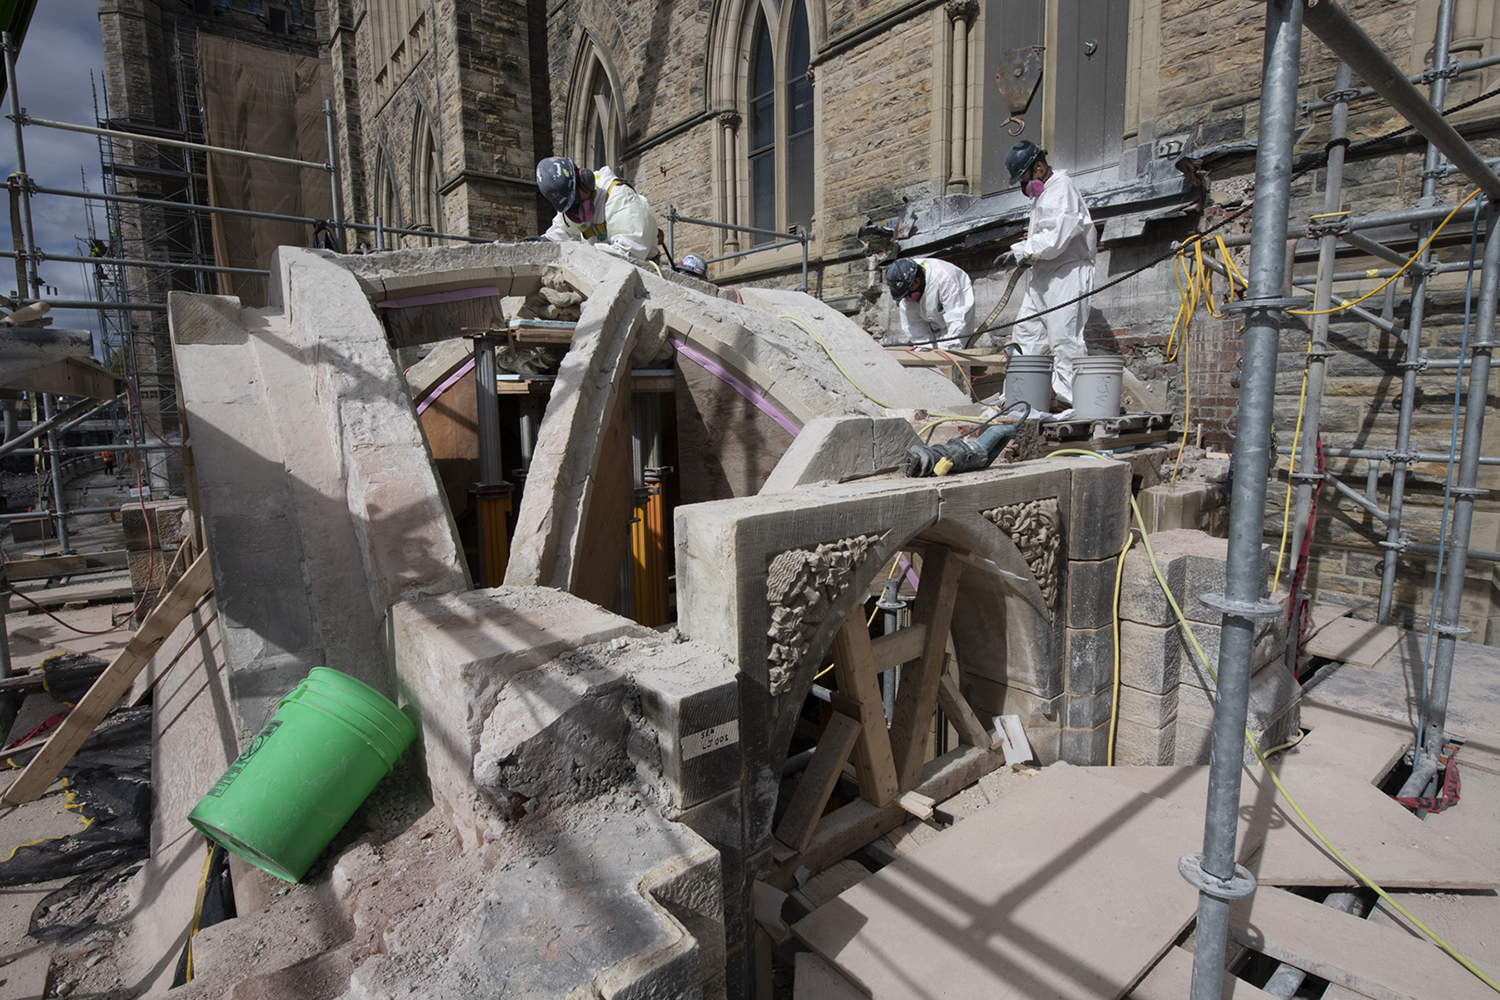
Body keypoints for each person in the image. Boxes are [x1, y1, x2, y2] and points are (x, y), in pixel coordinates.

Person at [996, 140, 1096, 406]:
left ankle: (1071, 403)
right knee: (1025, 336)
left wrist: (1019, 250)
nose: (1021, 187)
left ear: (1038, 167)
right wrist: (1025, 253)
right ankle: (1018, 400)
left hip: (1066, 275)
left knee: (1064, 340)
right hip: (1043, 276)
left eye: (1022, 178)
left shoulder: (1061, 189)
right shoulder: (1044, 195)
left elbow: (1054, 240)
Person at [535, 156, 657, 261]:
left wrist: (581, 252)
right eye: (570, 205)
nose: (575, 208)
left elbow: (631, 252)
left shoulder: (619, 196)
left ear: (584, 182)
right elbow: (564, 230)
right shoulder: (573, 208)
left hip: (640, 276)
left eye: (576, 199)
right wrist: (546, 242)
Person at [885, 257, 975, 350]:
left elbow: (956, 320)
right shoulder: (907, 281)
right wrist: (923, 349)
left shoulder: (945, 279)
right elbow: (914, 326)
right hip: (934, 318)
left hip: (957, 308)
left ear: (916, 281)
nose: (906, 298)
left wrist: (949, 349)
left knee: (955, 350)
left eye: (907, 293)